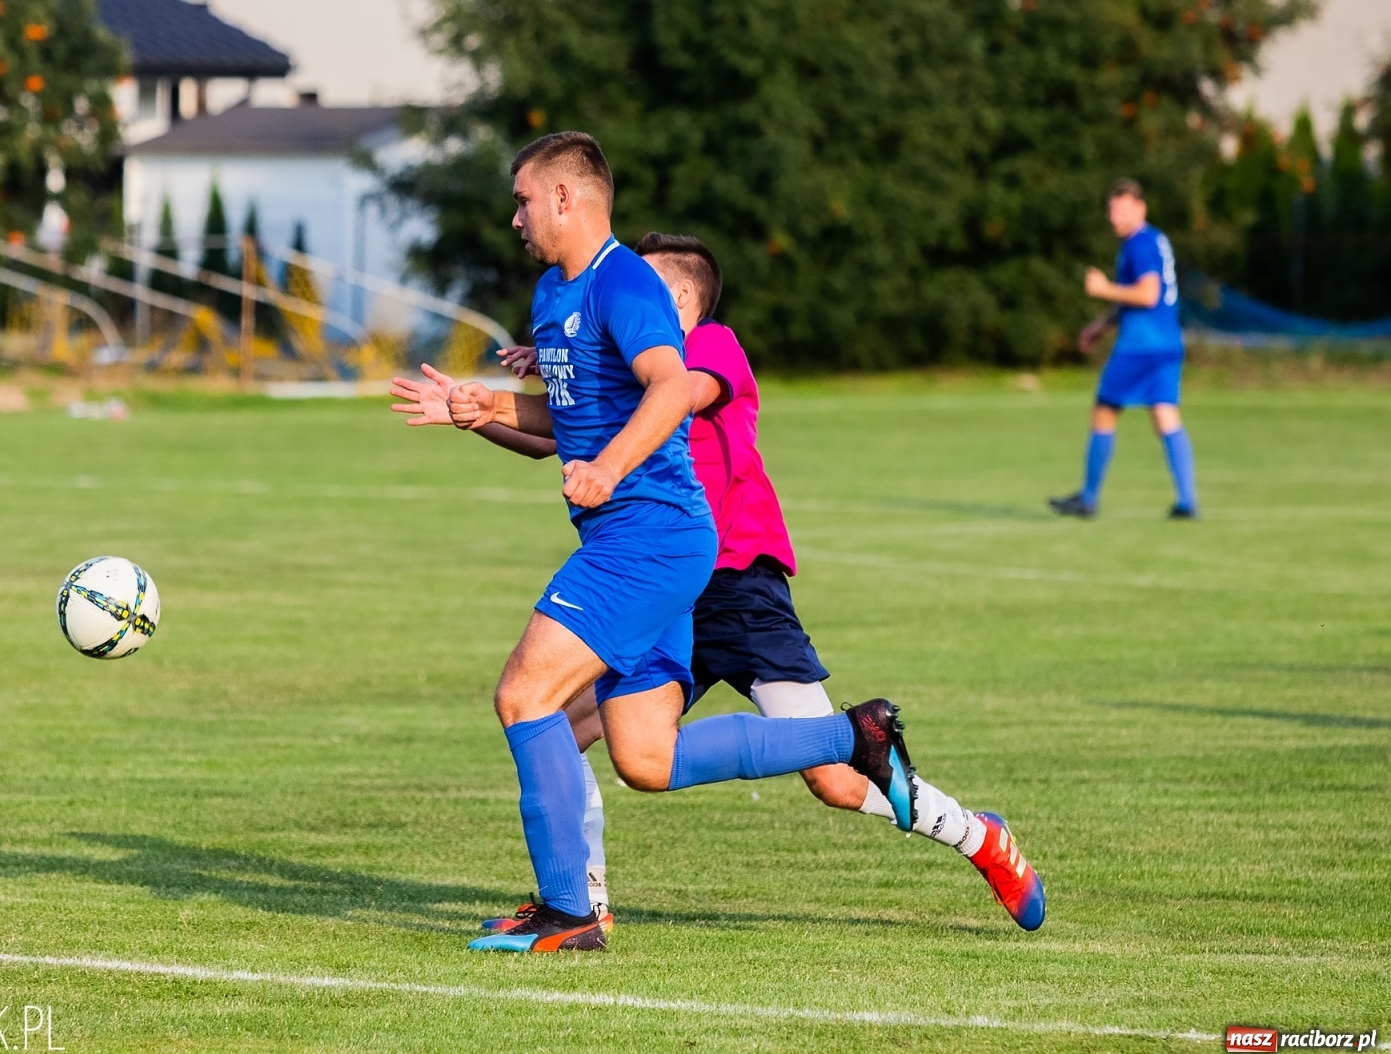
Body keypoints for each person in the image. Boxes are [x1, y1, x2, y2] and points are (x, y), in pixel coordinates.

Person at [392, 229, 1046, 936]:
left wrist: (574, 370)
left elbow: (675, 396)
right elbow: (567, 429)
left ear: (675, 296)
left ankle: (978, 837)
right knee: (560, 721)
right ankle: (581, 903)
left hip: (740, 588)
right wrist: (525, 390)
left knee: (833, 780)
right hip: (660, 585)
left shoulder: (709, 347)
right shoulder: (631, 355)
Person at [417, 131, 923, 953]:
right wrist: (484, 412)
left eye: (521, 198)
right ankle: (852, 734)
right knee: (646, 756)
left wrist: (611, 467)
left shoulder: (626, 284)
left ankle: (570, 911)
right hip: (647, 538)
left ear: (565, 197)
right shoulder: (554, 294)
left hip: (648, 537)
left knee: (525, 696)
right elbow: (564, 426)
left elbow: (669, 387)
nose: (513, 216)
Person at [1051, 178, 1198, 520]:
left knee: (1104, 411)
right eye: (1112, 210)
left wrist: (1104, 289)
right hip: (1168, 342)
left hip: (1140, 346)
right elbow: (1138, 297)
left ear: (1141, 209)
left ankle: (1087, 499)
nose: (1115, 217)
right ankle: (1187, 501)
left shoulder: (1139, 244)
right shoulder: (1156, 240)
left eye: (1123, 209)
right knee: (1165, 415)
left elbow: (1147, 294)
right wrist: (1101, 326)